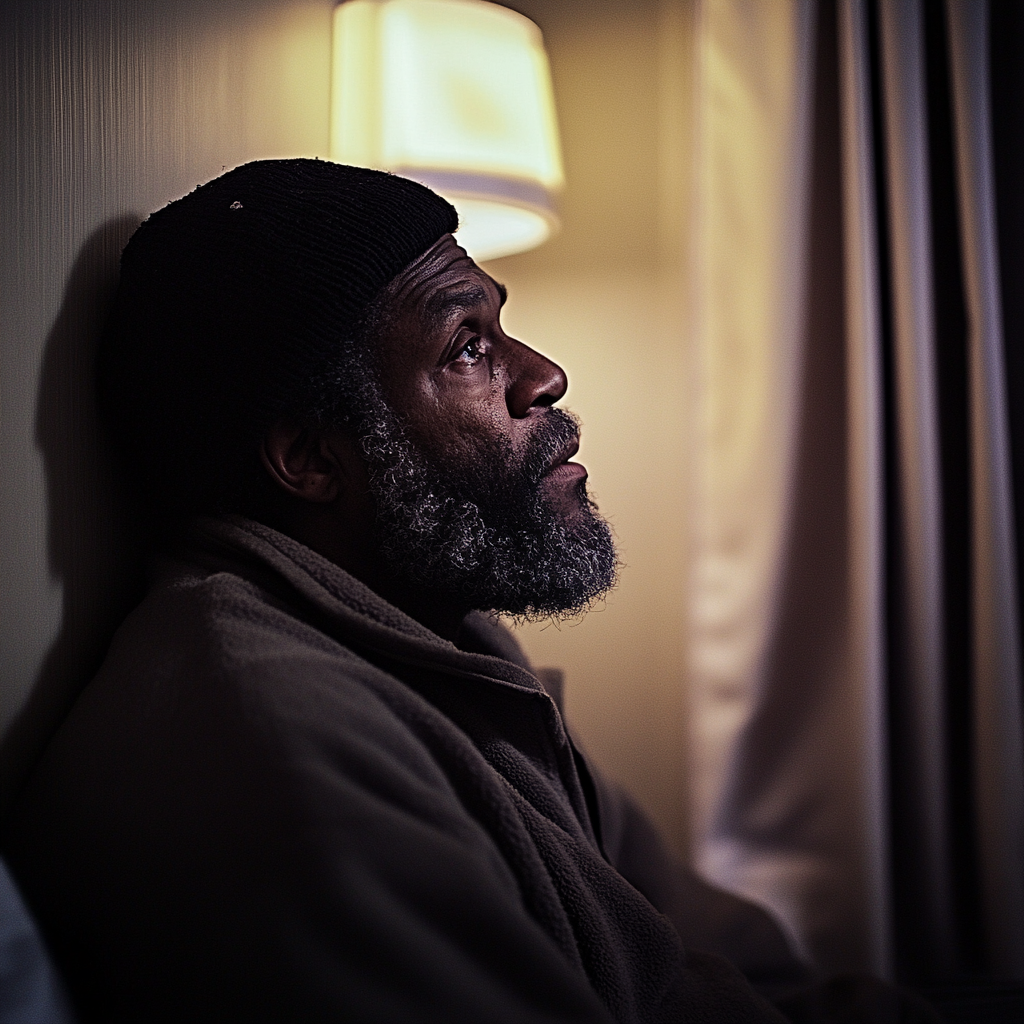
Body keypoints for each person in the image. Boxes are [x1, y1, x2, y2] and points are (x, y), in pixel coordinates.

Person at [2, 160, 927, 1023]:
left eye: (500, 325)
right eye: (468, 347)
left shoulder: (436, 626)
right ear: (313, 458)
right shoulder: (278, 748)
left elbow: (708, 952)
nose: (545, 378)